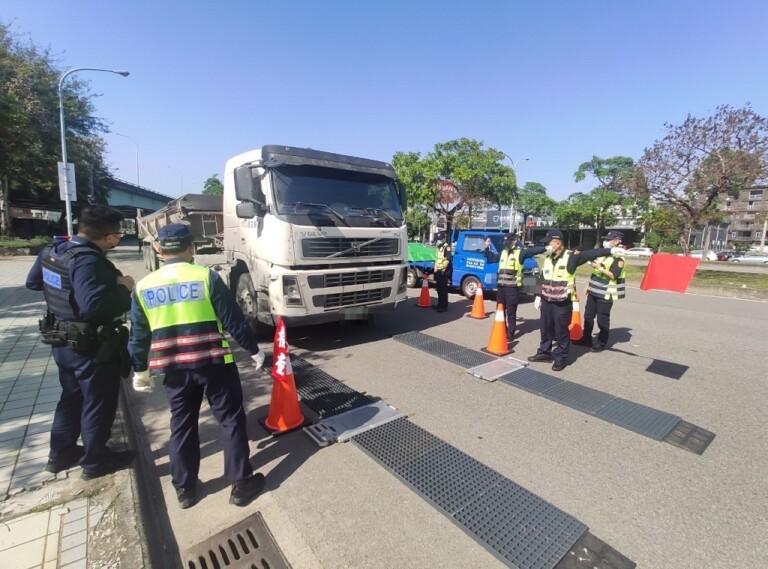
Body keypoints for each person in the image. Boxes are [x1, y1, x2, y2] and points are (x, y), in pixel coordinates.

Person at [128, 223, 267, 509]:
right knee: (230, 419)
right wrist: (254, 351)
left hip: (174, 369)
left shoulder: (143, 287)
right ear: (191, 248)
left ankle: (185, 488)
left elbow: (139, 336)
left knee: (182, 424)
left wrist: (140, 370)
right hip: (214, 363)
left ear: (158, 249)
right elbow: (234, 321)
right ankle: (241, 484)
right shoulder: (206, 277)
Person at [25, 205, 136, 479]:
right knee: (97, 402)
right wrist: (124, 288)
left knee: (71, 397)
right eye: (119, 235)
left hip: (62, 340)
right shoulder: (88, 261)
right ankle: (95, 461)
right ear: (109, 237)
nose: (118, 239)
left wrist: (64, 298)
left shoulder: (53, 251)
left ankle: (60, 454)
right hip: (90, 346)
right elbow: (93, 307)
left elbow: (33, 283)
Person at [527, 229, 625, 372]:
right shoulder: (548, 257)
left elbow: (590, 254)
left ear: (557, 242)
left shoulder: (571, 257)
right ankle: (544, 352)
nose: (546, 245)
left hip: (562, 302)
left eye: (548, 242)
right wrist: (537, 295)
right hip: (546, 300)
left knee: (561, 331)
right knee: (546, 328)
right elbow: (541, 277)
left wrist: (610, 251)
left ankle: (561, 358)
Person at [483, 234, 546, 346]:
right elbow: (491, 259)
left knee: (511, 312)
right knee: (500, 310)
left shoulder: (520, 252)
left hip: (512, 288)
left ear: (514, 241)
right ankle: (502, 329)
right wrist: (486, 248)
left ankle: (511, 333)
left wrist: (546, 248)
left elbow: (532, 251)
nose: (507, 244)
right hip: (501, 287)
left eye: (509, 242)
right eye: (505, 242)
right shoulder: (503, 252)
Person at [573, 230, 626, 352]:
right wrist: (588, 285)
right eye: (606, 239)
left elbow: (613, 275)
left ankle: (601, 342)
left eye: (609, 239)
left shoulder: (619, 258)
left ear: (617, 241)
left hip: (606, 293)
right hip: (594, 291)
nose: (606, 242)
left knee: (602, 319)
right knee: (588, 316)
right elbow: (595, 272)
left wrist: (600, 268)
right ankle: (586, 338)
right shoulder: (604, 254)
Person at [432, 238, 452, 312]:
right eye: (437, 239)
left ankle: (444, 306)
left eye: (439, 239)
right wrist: (435, 268)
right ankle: (439, 304)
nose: (438, 241)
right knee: (439, 288)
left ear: (443, 239)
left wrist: (443, 269)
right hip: (438, 270)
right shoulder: (439, 247)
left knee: (443, 289)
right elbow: (437, 259)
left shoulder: (447, 247)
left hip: (443, 271)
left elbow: (448, 259)